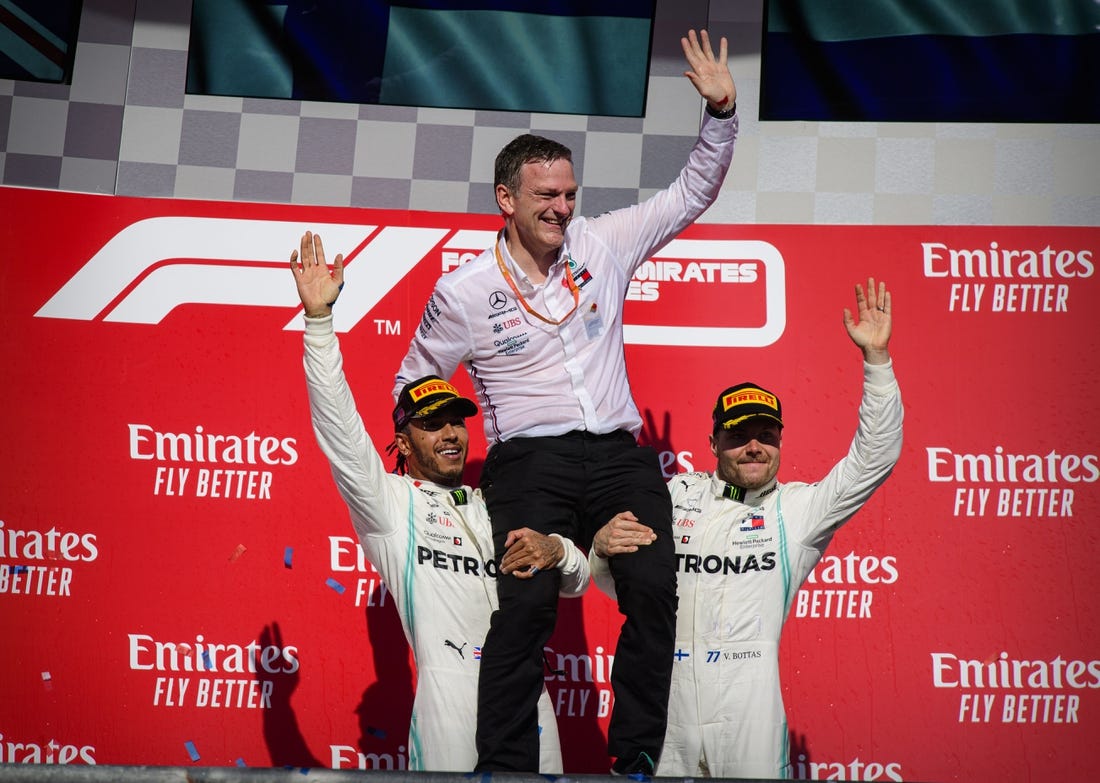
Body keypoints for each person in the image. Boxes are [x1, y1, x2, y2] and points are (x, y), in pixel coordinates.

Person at [392, 29, 739, 774]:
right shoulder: (463, 291)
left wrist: (720, 114)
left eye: (570, 193)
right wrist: (425, 451)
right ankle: (507, 765)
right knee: (523, 604)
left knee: (650, 587)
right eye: (546, 195)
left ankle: (636, 756)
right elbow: (412, 381)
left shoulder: (604, 243)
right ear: (506, 197)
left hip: (618, 456)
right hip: (527, 465)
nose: (562, 207)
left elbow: (692, 194)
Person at [290, 231, 590, 772]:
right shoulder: (392, 507)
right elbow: (339, 431)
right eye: (431, 425)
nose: (450, 433)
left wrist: (559, 551)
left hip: (528, 698)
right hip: (447, 703)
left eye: (457, 421)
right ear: (404, 442)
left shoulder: (501, 498)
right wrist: (319, 325)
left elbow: (577, 580)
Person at [591, 279, 904, 779]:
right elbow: (621, 583)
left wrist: (877, 362)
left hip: (748, 705)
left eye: (766, 434)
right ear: (713, 441)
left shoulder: (797, 510)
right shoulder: (672, 496)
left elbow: (875, 457)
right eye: (738, 436)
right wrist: (600, 550)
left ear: (781, 439)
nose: (753, 446)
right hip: (666, 702)